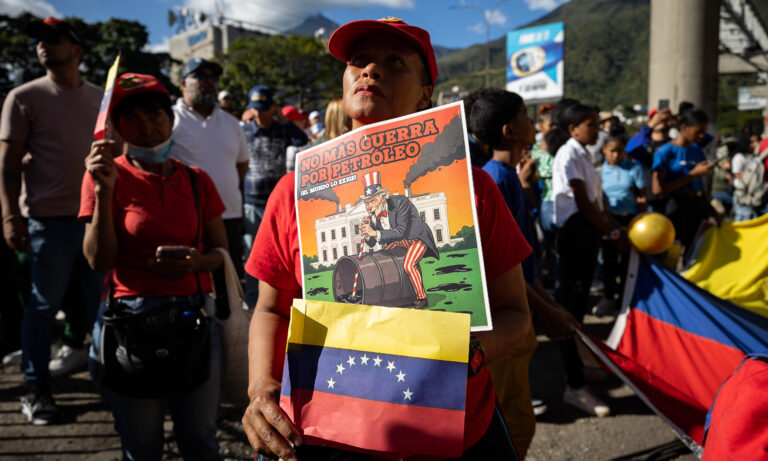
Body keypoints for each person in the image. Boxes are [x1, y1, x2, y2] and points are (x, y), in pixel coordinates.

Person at [242, 17, 532, 461]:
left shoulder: (473, 188)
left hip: (452, 429)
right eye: (358, 61)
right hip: (329, 427)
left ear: (425, 93)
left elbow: (516, 316)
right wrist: (262, 387)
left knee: (413, 266)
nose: (370, 71)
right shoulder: (292, 191)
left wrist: (470, 352)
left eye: (394, 62)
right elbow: (269, 307)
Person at [80, 73, 226, 460]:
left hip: (193, 319)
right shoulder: (105, 175)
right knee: (141, 446)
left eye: (155, 114)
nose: (146, 125)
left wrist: (197, 262)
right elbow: (98, 260)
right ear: (116, 127)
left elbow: (222, 255)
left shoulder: (197, 181)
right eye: (131, 118)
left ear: (170, 117)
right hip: (130, 324)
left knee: (200, 438)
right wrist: (103, 190)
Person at [0, 17, 104, 424]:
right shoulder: (23, 97)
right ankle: (36, 387)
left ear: (76, 50)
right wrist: (10, 217)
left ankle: (110, 381)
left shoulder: (99, 97)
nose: (44, 45)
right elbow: (7, 168)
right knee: (42, 307)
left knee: (101, 304)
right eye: (40, 40)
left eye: (54, 39)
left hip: (95, 220)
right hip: (48, 221)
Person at [471, 89, 576, 458]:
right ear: (509, 131)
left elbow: (524, 257)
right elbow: (504, 271)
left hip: (525, 310)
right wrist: (546, 310)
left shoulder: (509, 177)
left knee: (518, 412)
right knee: (512, 420)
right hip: (511, 316)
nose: (535, 124)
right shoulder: (493, 181)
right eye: (527, 117)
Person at [552, 103, 630, 417]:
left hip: (587, 230)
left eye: (597, 124)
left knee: (579, 308)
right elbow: (583, 203)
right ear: (573, 130)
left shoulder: (585, 154)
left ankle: (580, 370)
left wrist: (613, 225)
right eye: (591, 125)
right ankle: (573, 386)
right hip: (575, 232)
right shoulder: (568, 154)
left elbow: (597, 203)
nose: (597, 130)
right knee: (569, 309)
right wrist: (612, 234)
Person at [171, 58, 248, 316]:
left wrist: (219, 194)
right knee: (195, 292)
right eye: (199, 76)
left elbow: (242, 164)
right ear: (183, 82)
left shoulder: (230, 122)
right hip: (187, 219)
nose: (208, 82)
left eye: (213, 78)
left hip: (230, 216)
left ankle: (231, 340)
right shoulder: (170, 118)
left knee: (229, 287)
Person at [240, 86, 309, 307]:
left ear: (273, 108)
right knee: (254, 256)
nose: (259, 115)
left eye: (263, 109)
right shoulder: (245, 131)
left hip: (277, 205)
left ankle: (279, 302)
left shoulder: (282, 130)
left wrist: (284, 120)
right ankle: (253, 301)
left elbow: (301, 140)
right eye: (254, 109)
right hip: (252, 202)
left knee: (277, 259)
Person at [359, 172, 438, 309]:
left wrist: (375, 232)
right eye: (367, 203)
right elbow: (372, 243)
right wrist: (366, 232)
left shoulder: (400, 202)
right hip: (400, 242)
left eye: (372, 201)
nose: (369, 206)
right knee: (381, 258)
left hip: (416, 238)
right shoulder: (373, 216)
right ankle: (395, 293)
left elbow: (401, 231)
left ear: (383, 198)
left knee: (409, 265)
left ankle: (422, 298)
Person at [652, 108, 718, 253]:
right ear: (684, 127)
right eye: (698, 131)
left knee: (696, 252)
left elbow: (700, 187)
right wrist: (692, 175)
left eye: (704, 132)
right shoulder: (665, 152)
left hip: (698, 208)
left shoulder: (697, 151)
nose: (702, 136)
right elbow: (657, 189)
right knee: (673, 254)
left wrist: (713, 211)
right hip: (677, 209)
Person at [596, 125, 646, 314]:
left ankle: (624, 302)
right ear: (604, 151)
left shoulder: (634, 168)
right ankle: (608, 297)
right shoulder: (598, 172)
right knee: (609, 261)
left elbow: (641, 196)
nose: (616, 155)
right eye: (612, 151)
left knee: (628, 262)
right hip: (609, 221)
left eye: (620, 150)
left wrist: (643, 218)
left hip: (631, 221)